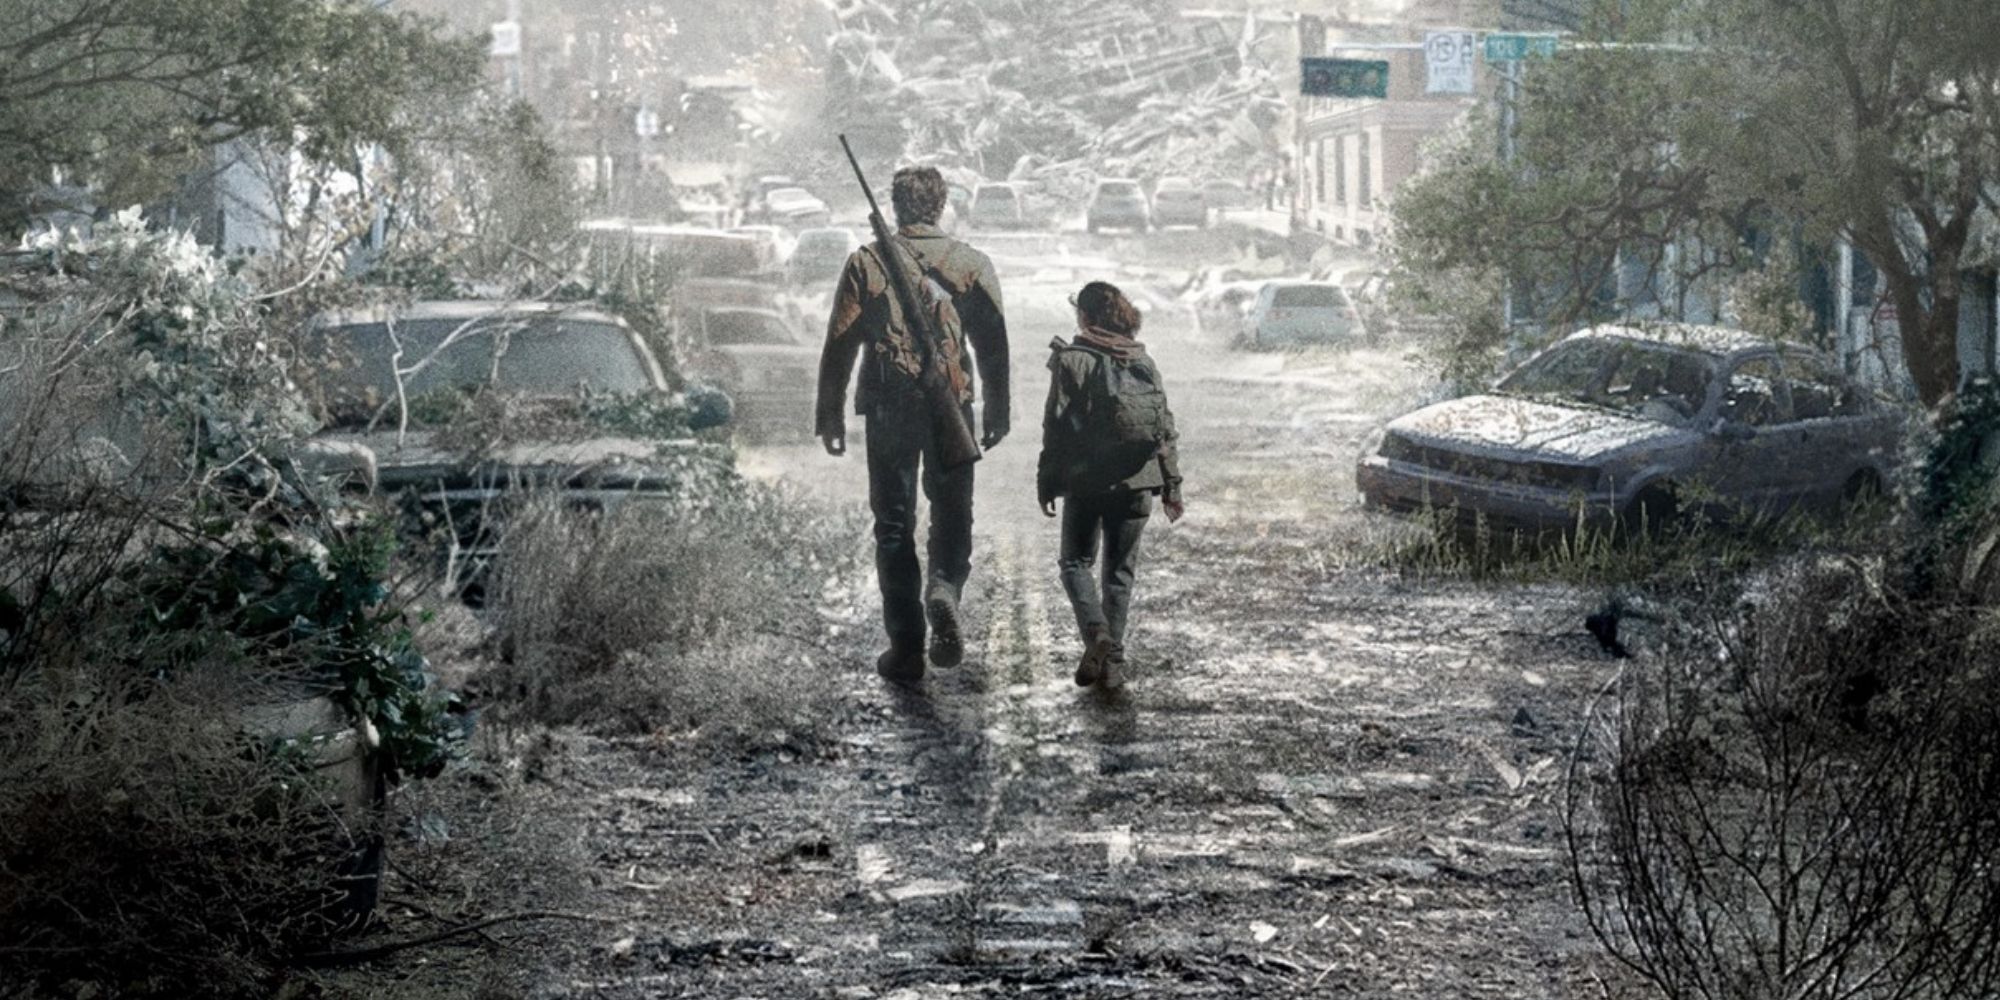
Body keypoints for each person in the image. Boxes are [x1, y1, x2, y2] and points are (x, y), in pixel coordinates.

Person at [817, 165, 1010, 685]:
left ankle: (906, 647)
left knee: (895, 525)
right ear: (942, 206)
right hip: (952, 399)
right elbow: (992, 344)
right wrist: (998, 409)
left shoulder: (867, 262)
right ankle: (944, 589)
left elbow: (841, 343)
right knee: (952, 511)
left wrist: (829, 414)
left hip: (888, 406)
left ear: (897, 207)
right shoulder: (969, 262)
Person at [1038, 281, 1183, 690]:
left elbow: (1057, 429)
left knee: (1075, 564)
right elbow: (1164, 428)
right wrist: (1172, 485)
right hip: (1139, 482)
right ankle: (1112, 664)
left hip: (1087, 483)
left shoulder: (1072, 359)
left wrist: (1046, 481)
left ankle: (1096, 633)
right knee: (1119, 573)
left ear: (1084, 316)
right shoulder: (1143, 360)